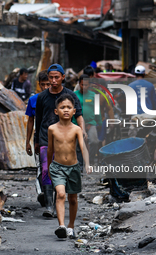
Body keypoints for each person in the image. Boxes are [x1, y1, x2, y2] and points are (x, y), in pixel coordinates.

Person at [35, 64, 86, 218]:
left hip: (66, 139)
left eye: (57, 77)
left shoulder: (70, 95)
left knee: (64, 169)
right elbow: (38, 119)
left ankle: (61, 201)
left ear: (63, 77)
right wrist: (36, 140)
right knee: (46, 170)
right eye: (51, 77)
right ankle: (49, 206)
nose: (53, 80)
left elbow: (79, 116)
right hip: (45, 138)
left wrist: (82, 131)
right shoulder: (42, 97)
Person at [47, 94, 90, 239]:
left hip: (73, 168)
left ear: (74, 111)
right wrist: (47, 167)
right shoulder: (52, 129)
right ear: (56, 111)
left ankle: (71, 226)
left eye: (69, 107)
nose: (66, 110)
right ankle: (61, 226)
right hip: (57, 167)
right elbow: (50, 150)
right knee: (60, 194)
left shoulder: (77, 129)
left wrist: (88, 164)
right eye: (62, 107)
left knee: (72, 198)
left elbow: (83, 147)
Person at [25, 70, 50, 207]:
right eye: (43, 85)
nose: (46, 87)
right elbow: (30, 121)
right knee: (41, 166)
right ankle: (43, 192)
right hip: (39, 138)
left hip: (56, 138)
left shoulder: (57, 99)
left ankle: (52, 193)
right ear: (39, 85)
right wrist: (28, 141)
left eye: (48, 84)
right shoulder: (34, 100)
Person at [74, 74, 102, 164]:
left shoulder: (94, 95)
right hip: (77, 124)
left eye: (86, 85)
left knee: (94, 141)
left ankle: (89, 160)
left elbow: (97, 111)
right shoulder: (74, 95)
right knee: (77, 144)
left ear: (89, 85)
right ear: (79, 84)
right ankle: (79, 162)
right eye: (82, 85)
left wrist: (100, 122)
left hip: (91, 123)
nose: (84, 87)